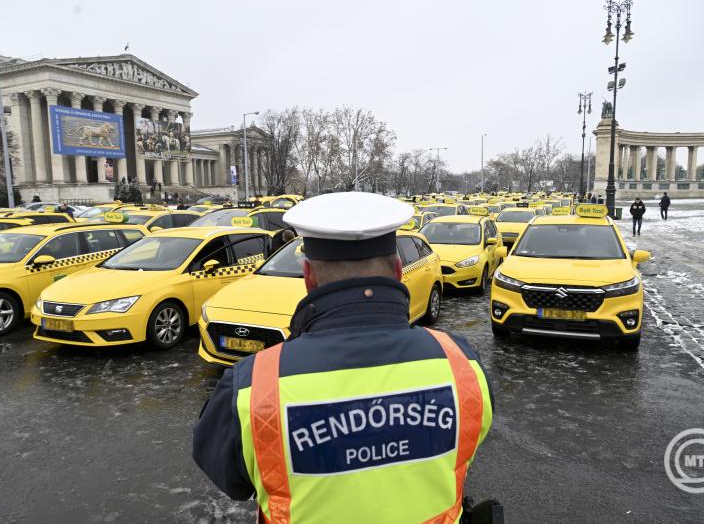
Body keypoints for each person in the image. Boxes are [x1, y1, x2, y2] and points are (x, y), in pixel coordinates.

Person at [193, 192, 494, 523]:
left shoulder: (254, 386)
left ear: (309, 278)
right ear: (397, 271)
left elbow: (229, 479)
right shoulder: (463, 365)